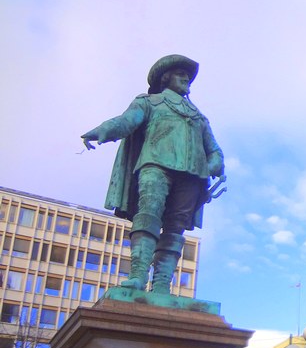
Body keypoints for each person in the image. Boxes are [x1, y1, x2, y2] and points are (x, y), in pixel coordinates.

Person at [81, 54, 226, 294]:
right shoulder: (150, 102)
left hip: (190, 178)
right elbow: (126, 122)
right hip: (155, 166)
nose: (186, 78)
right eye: (181, 74)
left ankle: (161, 284)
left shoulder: (199, 117)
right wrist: (99, 131)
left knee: (175, 228)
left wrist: (208, 168)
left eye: (187, 76)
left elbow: (215, 152)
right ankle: (137, 276)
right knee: (148, 216)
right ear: (165, 77)